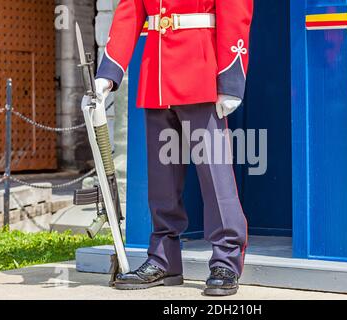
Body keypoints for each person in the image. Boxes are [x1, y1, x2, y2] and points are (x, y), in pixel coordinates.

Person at [95, 0, 253, 296]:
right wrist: (111, 69)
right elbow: (130, 11)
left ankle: (226, 259)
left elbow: (235, 11)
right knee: (161, 180)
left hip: (201, 70)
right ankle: (164, 259)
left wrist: (231, 79)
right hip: (156, 74)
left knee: (215, 178)